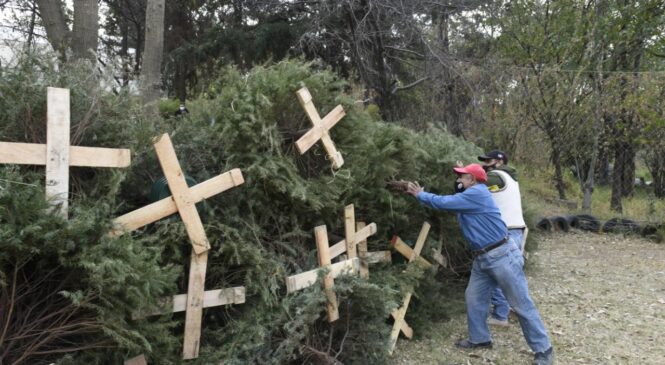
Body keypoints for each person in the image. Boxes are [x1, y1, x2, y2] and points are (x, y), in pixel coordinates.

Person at [403, 163, 553, 365]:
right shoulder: (471, 193)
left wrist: (420, 194)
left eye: (462, 177)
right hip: (483, 258)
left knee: (521, 304)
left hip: (501, 256)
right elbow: (455, 194)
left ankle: (544, 350)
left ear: (472, 180)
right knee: (473, 297)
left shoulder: (477, 194)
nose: (458, 180)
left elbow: (444, 202)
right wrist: (460, 172)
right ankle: (480, 339)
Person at [478, 150, 527, 327]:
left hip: (505, 231)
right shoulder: (510, 177)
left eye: (488, 160)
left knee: (499, 273)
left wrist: (464, 174)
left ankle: (500, 315)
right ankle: (518, 310)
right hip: (516, 229)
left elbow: (476, 184)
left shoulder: (497, 176)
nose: (485, 164)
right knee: (513, 274)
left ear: (499, 162)